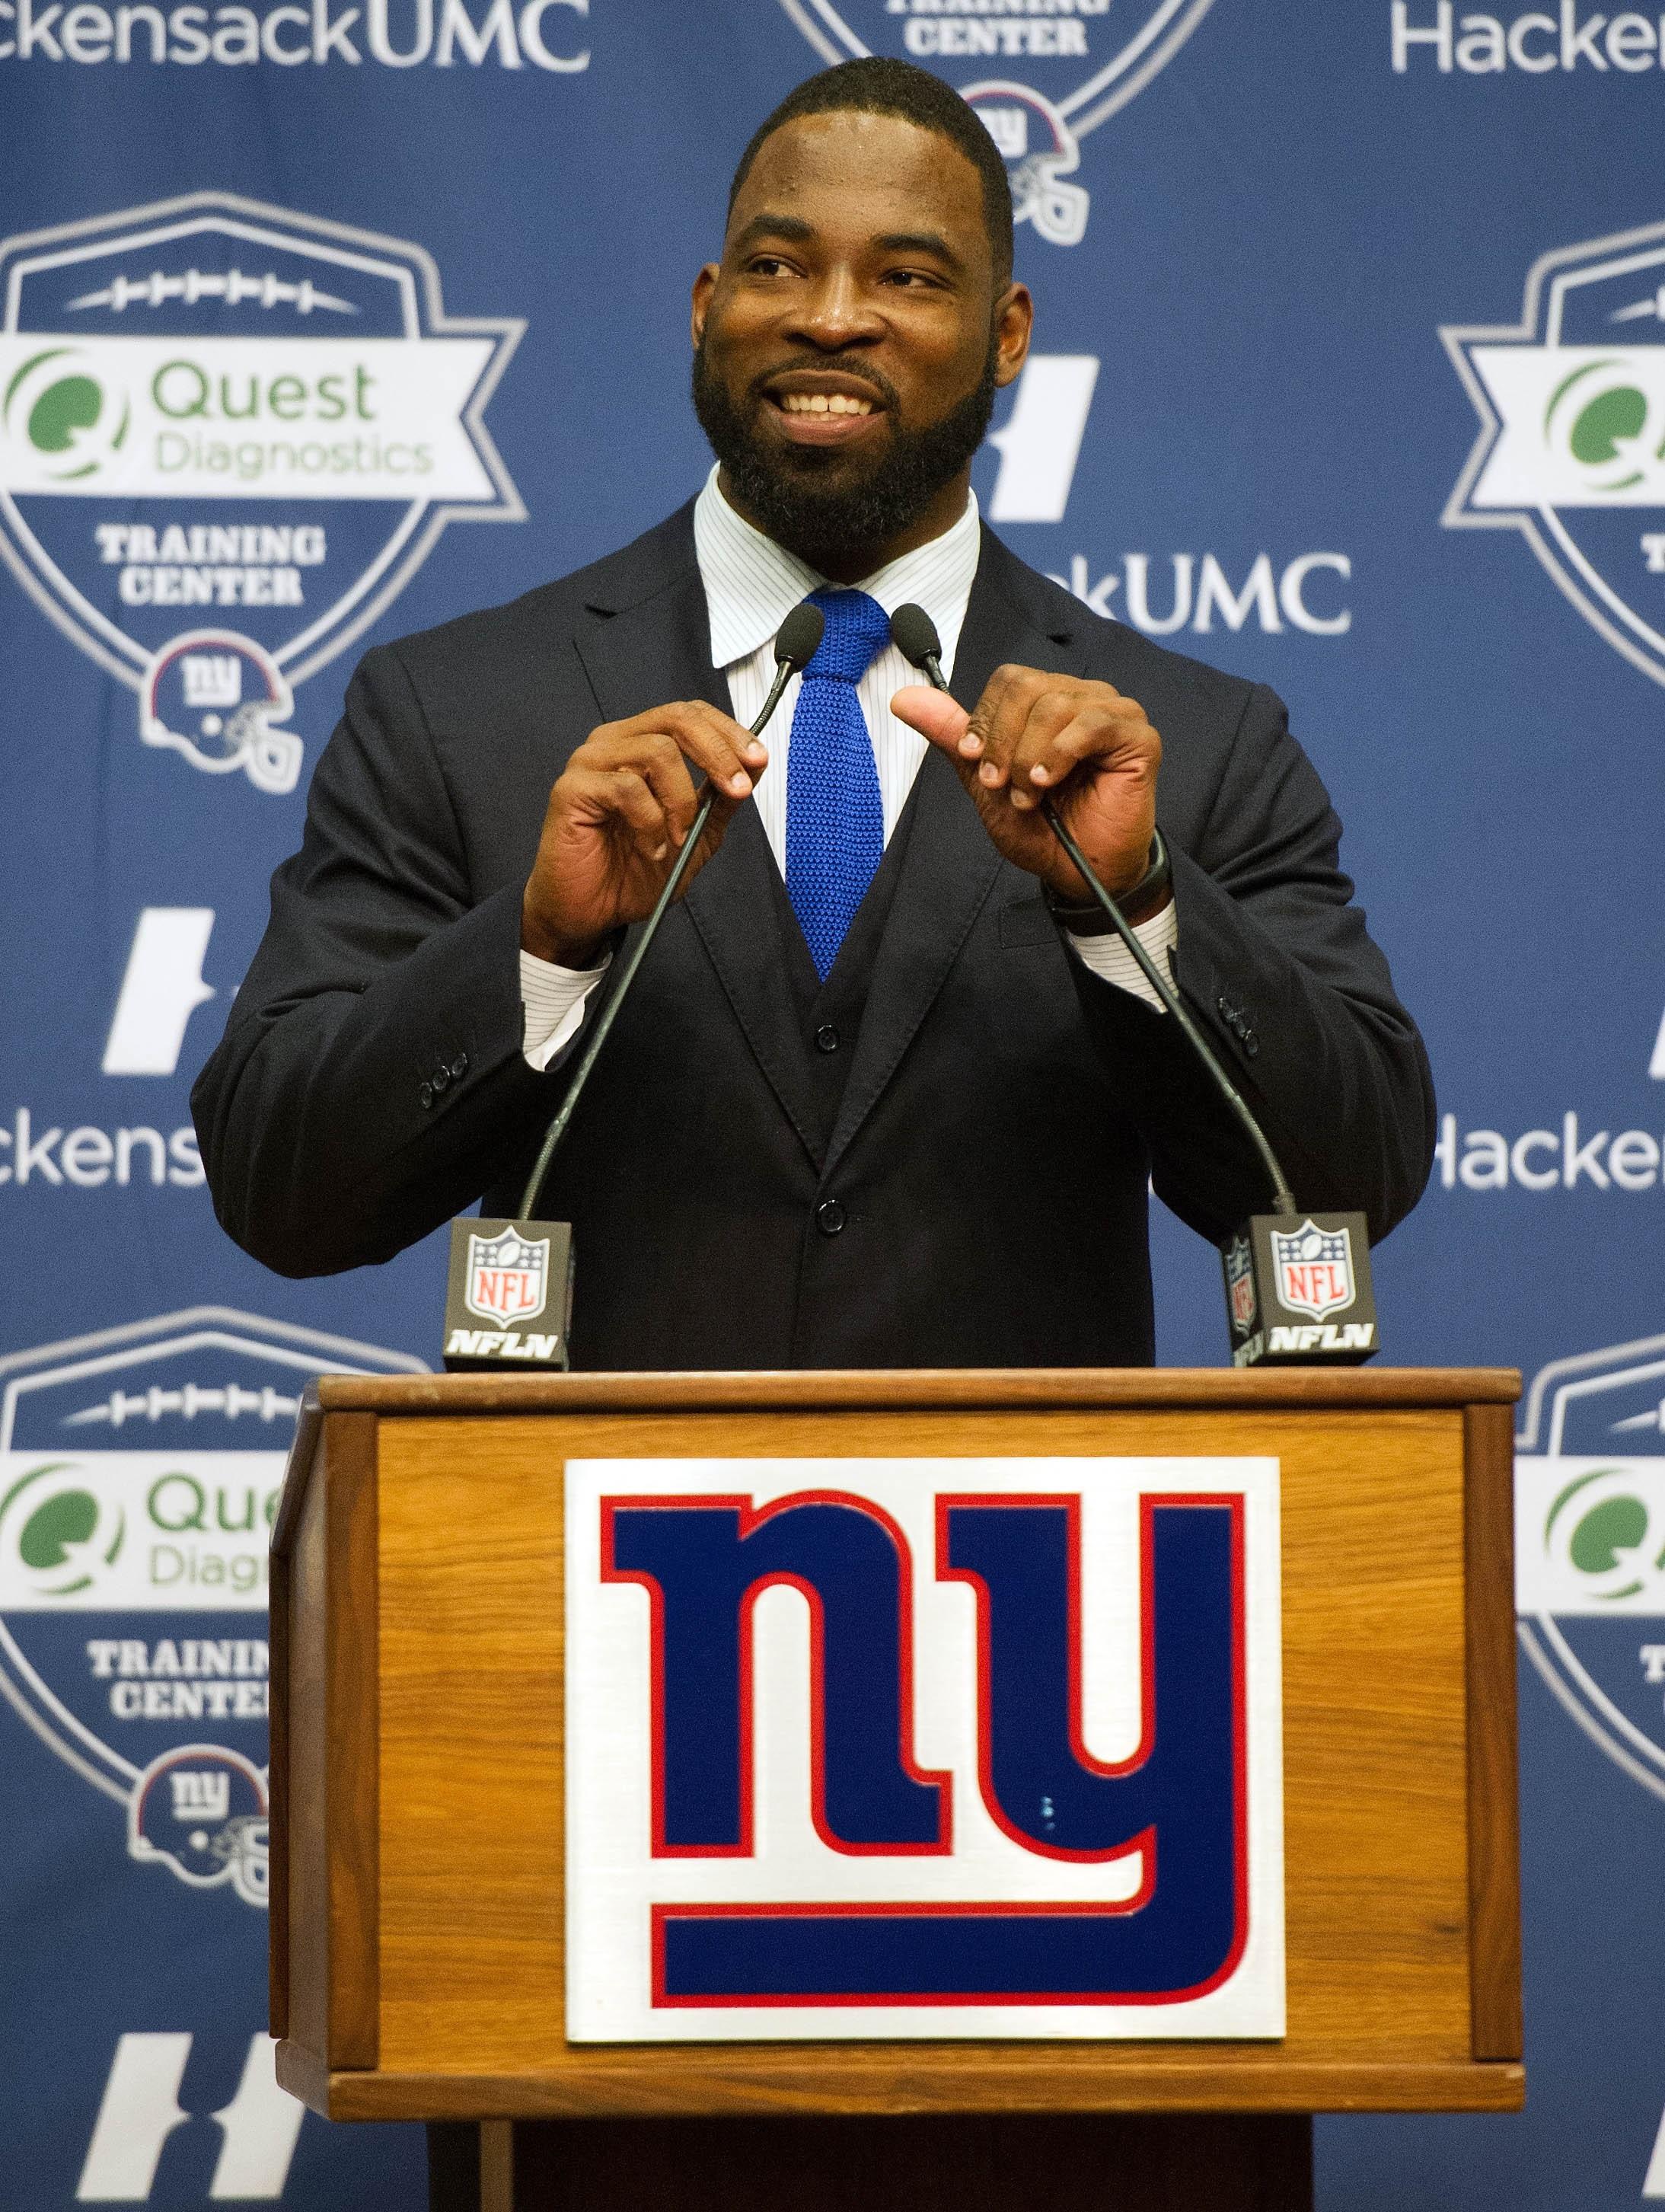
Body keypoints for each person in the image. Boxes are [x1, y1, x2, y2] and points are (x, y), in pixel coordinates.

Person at [192, 59, 1434, 1370]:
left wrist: (1133, 900)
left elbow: (1355, 1177)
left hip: (1026, 1558)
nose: (831, 319)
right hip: (586, 1556)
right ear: (705, 306)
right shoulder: (457, 708)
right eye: (779, 266)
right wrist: (540, 944)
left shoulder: (1190, 740)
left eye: (906, 277)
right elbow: (282, 1188)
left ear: (1008, 331)